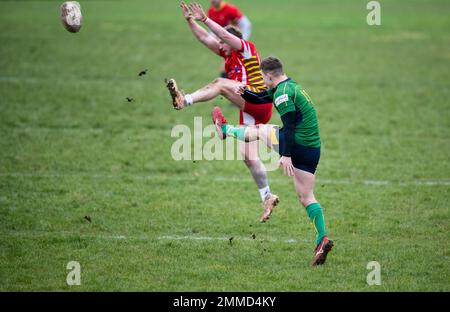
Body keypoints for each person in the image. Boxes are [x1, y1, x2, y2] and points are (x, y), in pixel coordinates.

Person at [211, 56, 334, 266]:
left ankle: (225, 130)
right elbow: (262, 98)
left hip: (297, 143)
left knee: (259, 130)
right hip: (313, 148)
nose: (262, 81)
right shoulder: (289, 86)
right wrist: (246, 93)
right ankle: (322, 239)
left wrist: (286, 155)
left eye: (262, 77)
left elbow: (290, 125)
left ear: (269, 75)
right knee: (306, 197)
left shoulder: (283, 95)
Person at [167, 2, 279, 222]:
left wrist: (206, 20)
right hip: (249, 109)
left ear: (229, 40)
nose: (218, 44)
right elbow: (205, 38)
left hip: (259, 101)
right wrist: (190, 20)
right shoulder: (227, 55)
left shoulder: (245, 48)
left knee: (220, 83)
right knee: (248, 157)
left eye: (222, 41)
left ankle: (185, 99)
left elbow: (221, 37)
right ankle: (267, 195)